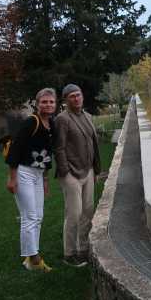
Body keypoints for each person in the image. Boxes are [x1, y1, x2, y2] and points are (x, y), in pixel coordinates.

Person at [6, 88, 56, 272]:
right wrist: (12, 178)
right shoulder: (30, 122)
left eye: (51, 102)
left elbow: (48, 154)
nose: (48, 104)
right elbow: (15, 150)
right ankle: (34, 259)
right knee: (30, 216)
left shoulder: (52, 124)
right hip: (23, 172)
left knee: (39, 216)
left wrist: (45, 180)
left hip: (37, 174)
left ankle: (30, 256)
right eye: (44, 101)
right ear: (37, 103)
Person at [54, 84, 101, 267]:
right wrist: (66, 171)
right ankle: (69, 253)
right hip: (71, 174)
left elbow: (94, 144)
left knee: (88, 212)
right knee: (74, 213)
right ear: (66, 100)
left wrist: (95, 170)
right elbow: (59, 148)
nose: (76, 98)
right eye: (72, 96)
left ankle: (83, 248)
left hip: (88, 170)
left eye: (78, 95)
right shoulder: (62, 119)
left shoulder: (87, 116)